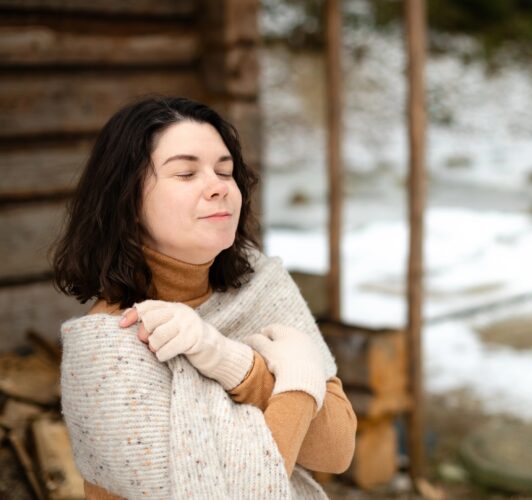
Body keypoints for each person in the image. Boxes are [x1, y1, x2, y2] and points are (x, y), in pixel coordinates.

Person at [52, 96, 356, 499]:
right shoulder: (106, 350)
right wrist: (297, 384)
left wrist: (238, 366)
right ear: (127, 199)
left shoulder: (260, 286)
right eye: (186, 173)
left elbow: (337, 450)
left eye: (225, 171)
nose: (218, 188)